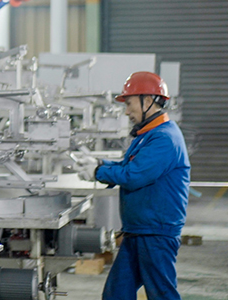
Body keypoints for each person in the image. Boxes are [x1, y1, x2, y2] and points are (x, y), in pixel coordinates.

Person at [72, 72, 190, 300]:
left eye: (129, 103)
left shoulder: (164, 138)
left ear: (148, 101)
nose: (126, 111)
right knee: (117, 294)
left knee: (161, 294)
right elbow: (129, 166)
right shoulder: (149, 135)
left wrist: (97, 172)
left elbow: (135, 175)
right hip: (138, 230)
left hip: (156, 233)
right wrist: (99, 164)